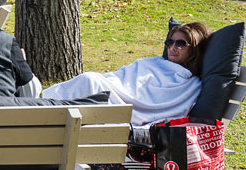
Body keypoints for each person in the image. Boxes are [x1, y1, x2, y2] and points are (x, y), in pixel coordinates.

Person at [43, 21, 210, 126]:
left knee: (90, 81)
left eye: (180, 44)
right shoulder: (155, 63)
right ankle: (37, 107)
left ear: (194, 50)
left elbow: (158, 103)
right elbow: (126, 76)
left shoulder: (190, 84)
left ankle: (36, 110)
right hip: (113, 86)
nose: (172, 47)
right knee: (90, 81)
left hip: (117, 100)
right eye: (170, 42)